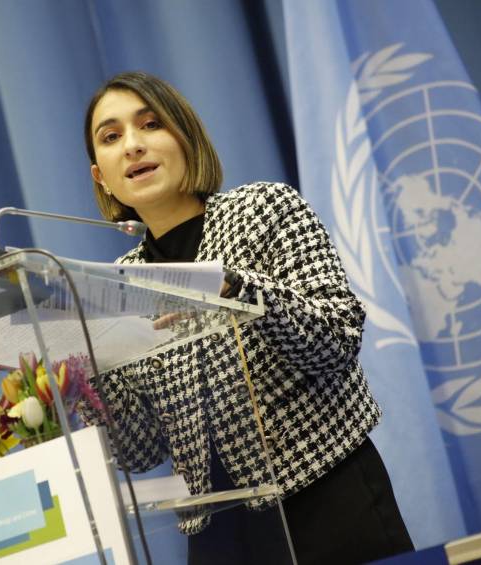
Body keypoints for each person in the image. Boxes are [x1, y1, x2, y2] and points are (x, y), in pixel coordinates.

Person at [82, 71, 414, 564]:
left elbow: (336, 343)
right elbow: (142, 450)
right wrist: (82, 378)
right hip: (218, 530)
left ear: (185, 136)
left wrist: (237, 287)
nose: (132, 146)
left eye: (150, 125)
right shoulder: (120, 284)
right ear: (101, 177)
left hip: (325, 497)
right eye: (111, 137)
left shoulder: (265, 209)